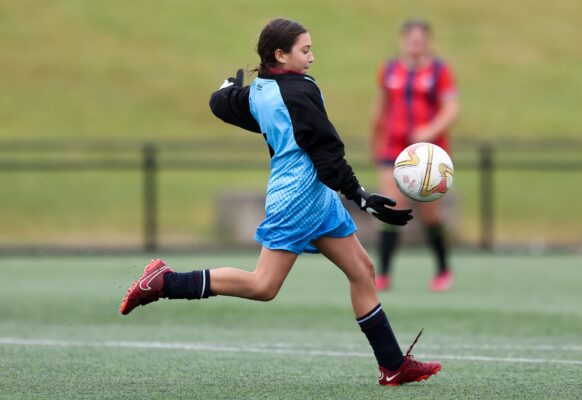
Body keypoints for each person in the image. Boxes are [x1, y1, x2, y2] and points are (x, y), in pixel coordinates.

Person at [119, 18, 442, 386]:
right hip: (298, 198)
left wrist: (226, 87)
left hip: (316, 196)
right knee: (263, 286)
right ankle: (166, 282)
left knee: (362, 271)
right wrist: (361, 197)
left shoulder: (260, 90)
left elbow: (222, 103)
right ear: (280, 54)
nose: (312, 57)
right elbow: (326, 153)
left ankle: (393, 365)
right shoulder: (298, 93)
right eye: (305, 50)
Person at [371, 19, 459, 292]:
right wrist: (375, 139)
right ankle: (383, 274)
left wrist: (429, 130)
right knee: (390, 208)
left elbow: (451, 108)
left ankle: (443, 269)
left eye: (420, 41)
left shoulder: (439, 71)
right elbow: (381, 108)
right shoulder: (389, 70)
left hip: (429, 155)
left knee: (431, 216)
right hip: (394, 150)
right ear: (403, 41)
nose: (415, 45)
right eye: (411, 40)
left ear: (427, 43)